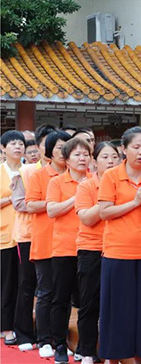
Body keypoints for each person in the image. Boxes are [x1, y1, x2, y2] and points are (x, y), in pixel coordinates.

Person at [98, 127, 141, 364]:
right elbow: (105, 212)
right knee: (119, 311)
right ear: (124, 149)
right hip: (118, 253)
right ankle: (116, 358)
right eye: (136, 147)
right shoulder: (111, 176)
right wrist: (135, 202)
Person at [46, 138, 92, 364]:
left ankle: (85, 346)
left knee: (86, 300)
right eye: (77, 155)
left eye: (86, 154)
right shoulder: (57, 182)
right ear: (66, 160)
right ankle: (60, 345)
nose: (82, 158)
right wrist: (78, 197)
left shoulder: (96, 181)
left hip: (91, 248)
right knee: (61, 299)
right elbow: (51, 210)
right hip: (64, 248)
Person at [26, 130, 71, 358]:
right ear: (49, 152)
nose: (64, 152)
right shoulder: (40, 176)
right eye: (59, 147)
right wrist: (55, 202)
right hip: (46, 241)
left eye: (67, 147)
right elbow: (30, 205)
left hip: (70, 243)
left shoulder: (78, 176)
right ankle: (44, 339)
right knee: (46, 292)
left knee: (64, 295)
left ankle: (60, 339)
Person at [11, 125, 56, 352]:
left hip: (54, 235)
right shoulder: (28, 172)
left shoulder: (63, 171)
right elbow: (20, 203)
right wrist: (51, 204)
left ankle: (45, 334)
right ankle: (23, 333)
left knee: (49, 287)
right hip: (28, 234)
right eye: (47, 143)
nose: (52, 149)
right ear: (38, 146)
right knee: (28, 284)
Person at [75, 142, 120, 364]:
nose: (110, 161)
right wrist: (106, 202)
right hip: (91, 248)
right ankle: (87, 351)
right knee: (89, 303)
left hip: (119, 249)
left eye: (114, 157)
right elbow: (87, 218)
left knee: (116, 304)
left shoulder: (123, 184)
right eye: (105, 157)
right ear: (94, 162)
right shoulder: (86, 186)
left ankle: (114, 351)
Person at [0, 130, 25, 345]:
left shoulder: (28, 171)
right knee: (7, 282)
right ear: (3, 148)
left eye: (20, 143)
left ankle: (21, 325)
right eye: (13, 143)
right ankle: (6, 327)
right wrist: (12, 196)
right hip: (5, 235)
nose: (18, 147)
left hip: (26, 234)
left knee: (24, 283)